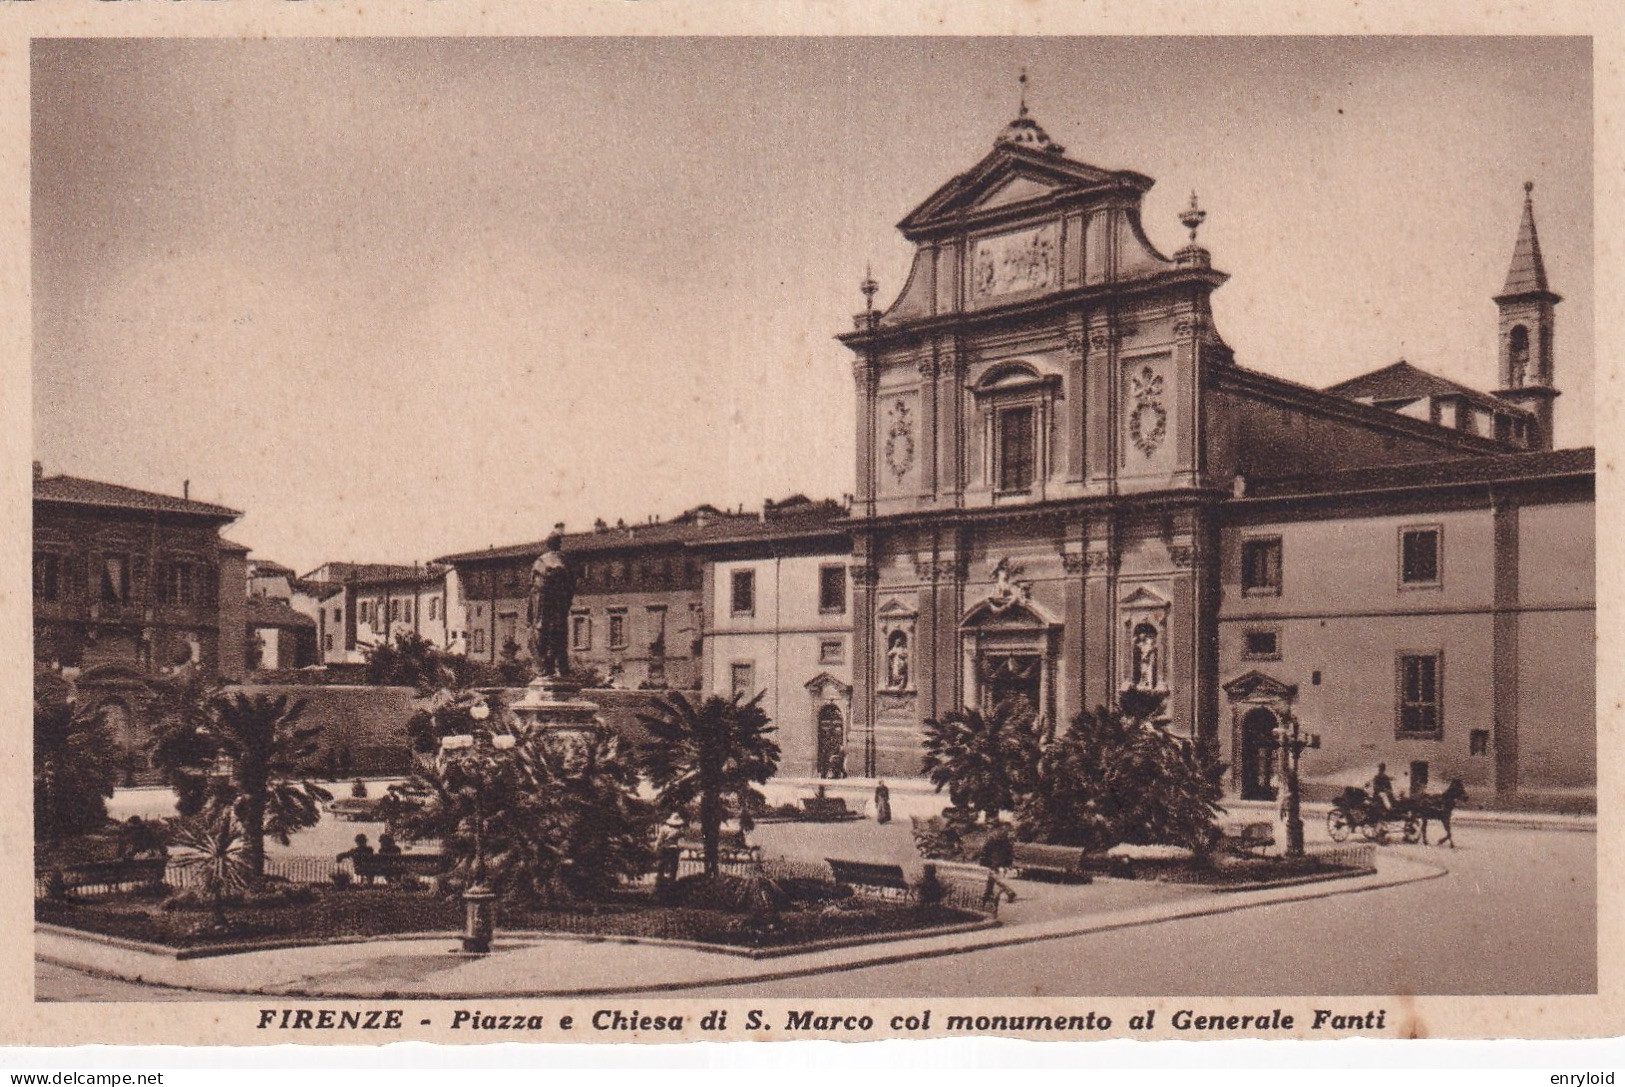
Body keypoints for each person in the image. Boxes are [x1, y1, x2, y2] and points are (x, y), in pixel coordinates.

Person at [654, 812, 685, 899]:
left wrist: (656, 848)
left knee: (662, 867)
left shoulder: (664, 828)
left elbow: (659, 840)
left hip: (665, 849)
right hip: (674, 850)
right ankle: (671, 887)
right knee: (673, 869)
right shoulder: (680, 831)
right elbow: (681, 843)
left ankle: (660, 886)